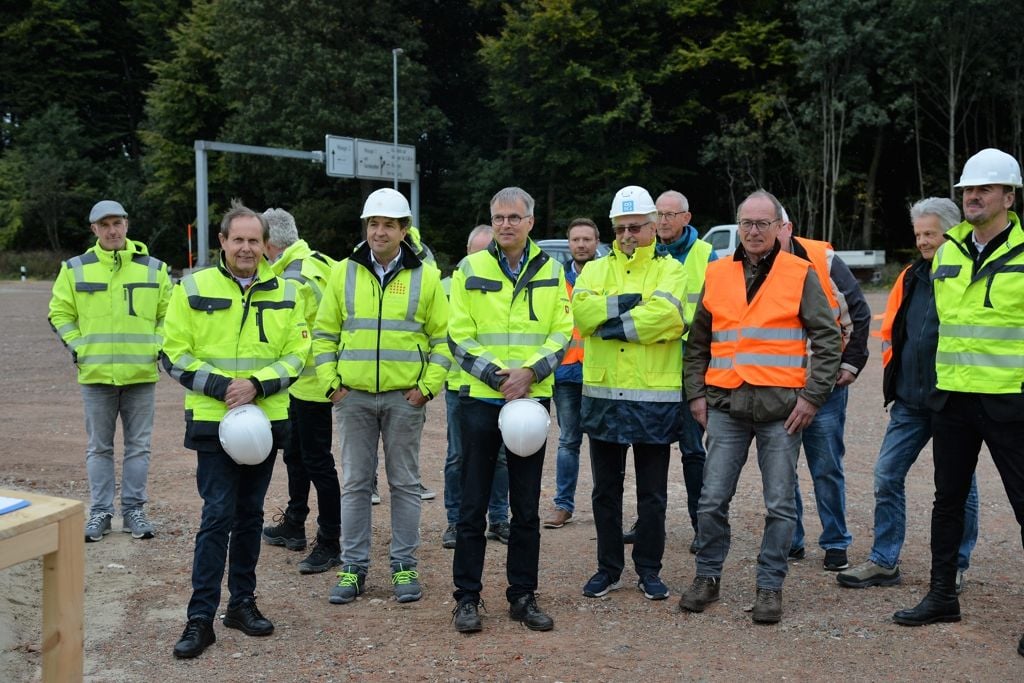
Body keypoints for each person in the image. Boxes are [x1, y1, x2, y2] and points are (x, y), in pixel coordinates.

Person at [679, 189, 841, 624]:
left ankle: (770, 586)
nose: (753, 231)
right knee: (711, 500)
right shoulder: (717, 273)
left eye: (762, 224)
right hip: (727, 405)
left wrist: (812, 397)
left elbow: (828, 338)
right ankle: (707, 576)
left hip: (782, 410)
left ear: (778, 228)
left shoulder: (799, 272)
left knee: (780, 505)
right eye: (746, 223)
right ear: (738, 225)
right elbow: (697, 343)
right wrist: (696, 394)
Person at [163, 200, 310, 659]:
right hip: (213, 421)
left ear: (266, 246)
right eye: (238, 239)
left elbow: (298, 355)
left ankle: (241, 604)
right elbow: (173, 353)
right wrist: (226, 386)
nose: (246, 248)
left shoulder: (287, 291)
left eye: (254, 240)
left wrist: (258, 385)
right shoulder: (192, 287)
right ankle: (199, 618)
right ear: (222, 242)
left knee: (249, 515)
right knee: (216, 515)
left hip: (264, 424)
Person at [893, 149, 1024, 660]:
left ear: (1008, 198)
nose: (973, 196)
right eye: (968, 190)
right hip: (952, 398)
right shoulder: (947, 250)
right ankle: (943, 596)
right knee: (947, 502)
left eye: (984, 190)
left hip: (1011, 400)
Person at [313, 188, 449, 606]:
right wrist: (331, 384)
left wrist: (426, 388)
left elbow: (443, 339)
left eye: (389, 224)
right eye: (373, 223)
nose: (379, 231)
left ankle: (403, 565)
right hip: (352, 397)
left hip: (403, 399)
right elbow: (323, 333)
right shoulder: (343, 271)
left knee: (404, 485)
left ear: (404, 230)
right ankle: (353, 568)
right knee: (354, 483)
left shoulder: (426, 276)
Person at [838, 198, 979, 591]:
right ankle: (885, 561)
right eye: (918, 234)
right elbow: (897, 334)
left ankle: (956, 564)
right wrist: (895, 381)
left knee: (959, 483)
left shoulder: (970, 274)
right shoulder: (912, 275)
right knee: (886, 474)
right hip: (910, 402)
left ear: (952, 232)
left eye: (929, 233)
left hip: (953, 398)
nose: (922, 241)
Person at [448, 187, 572, 633]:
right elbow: (457, 336)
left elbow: (562, 332)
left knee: (525, 506)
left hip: (531, 403)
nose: (505, 224)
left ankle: (522, 596)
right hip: (482, 399)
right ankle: (466, 598)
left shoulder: (552, 270)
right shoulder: (469, 268)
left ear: (530, 222)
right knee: (473, 504)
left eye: (514, 217)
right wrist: (501, 377)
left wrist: (531, 373)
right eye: (498, 217)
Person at [573, 187, 688, 600]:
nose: (627, 235)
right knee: (605, 491)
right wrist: (634, 304)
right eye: (620, 228)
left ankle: (649, 569)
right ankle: (608, 569)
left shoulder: (672, 270)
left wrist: (608, 316)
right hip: (603, 397)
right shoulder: (594, 270)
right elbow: (581, 314)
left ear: (654, 225)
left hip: (652, 398)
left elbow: (670, 318)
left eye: (635, 227)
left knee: (652, 494)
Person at [48, 200, 172, 543]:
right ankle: (101, 512)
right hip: (96, 373)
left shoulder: (155, 269)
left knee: (139, 447)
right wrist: (80, 348)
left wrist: (156, 347)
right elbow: (60, 313)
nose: (112, 230)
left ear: (127, 224)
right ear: (94, 230)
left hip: (141, 374)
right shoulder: (74, 269)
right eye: (105, 225)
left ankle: (134, 510)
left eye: (117, 223)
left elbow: (170, 315)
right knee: (99, 448)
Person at [623, 190, 717, 551]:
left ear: (686, 218)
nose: (662, 220)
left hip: (690, 367)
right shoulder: (642, 253)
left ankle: (701, 526)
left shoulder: (706, 255)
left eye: (669, 214)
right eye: (658, 214)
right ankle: (648, 525)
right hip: (650, 366)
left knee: (693, 451)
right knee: (649, 447)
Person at [778, 210, 871, 571]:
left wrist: (851, 363)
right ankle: (792, 539)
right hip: (779, 384)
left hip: (826, 385)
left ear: (787, 227)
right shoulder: (754, 265)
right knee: (782, 468)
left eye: (774, 227)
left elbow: (859, 312)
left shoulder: (823, 259)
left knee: (826, 466)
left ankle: (835, 542)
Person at [257, 208, 342, 574]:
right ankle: (294, 523)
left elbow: (290, 336)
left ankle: (330, 541)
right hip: (313, 380)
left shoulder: (292, 278)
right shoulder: (323, 261)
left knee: (316, 461)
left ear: (270, 243)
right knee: (296, 454)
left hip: (307, 382)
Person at [442, 224, 511, 549]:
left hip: (499, 385)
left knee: (499, 457)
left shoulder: (504, 284)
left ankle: (498, 518)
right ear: (467, 253)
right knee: (457, 456)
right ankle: (456, 522)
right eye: (477, 251)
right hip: (461, 385)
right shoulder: (451, 285)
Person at [543, 217, 599, 530]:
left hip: (600, 372)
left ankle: (607, 508)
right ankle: (563, 505)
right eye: (576, 239)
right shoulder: (556, 278)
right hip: (565, 372)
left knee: (606, 443)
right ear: (569, 243)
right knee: (568, 441)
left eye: (586, 239)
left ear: (596, 242)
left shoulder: (608, 275)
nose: (581, 245)